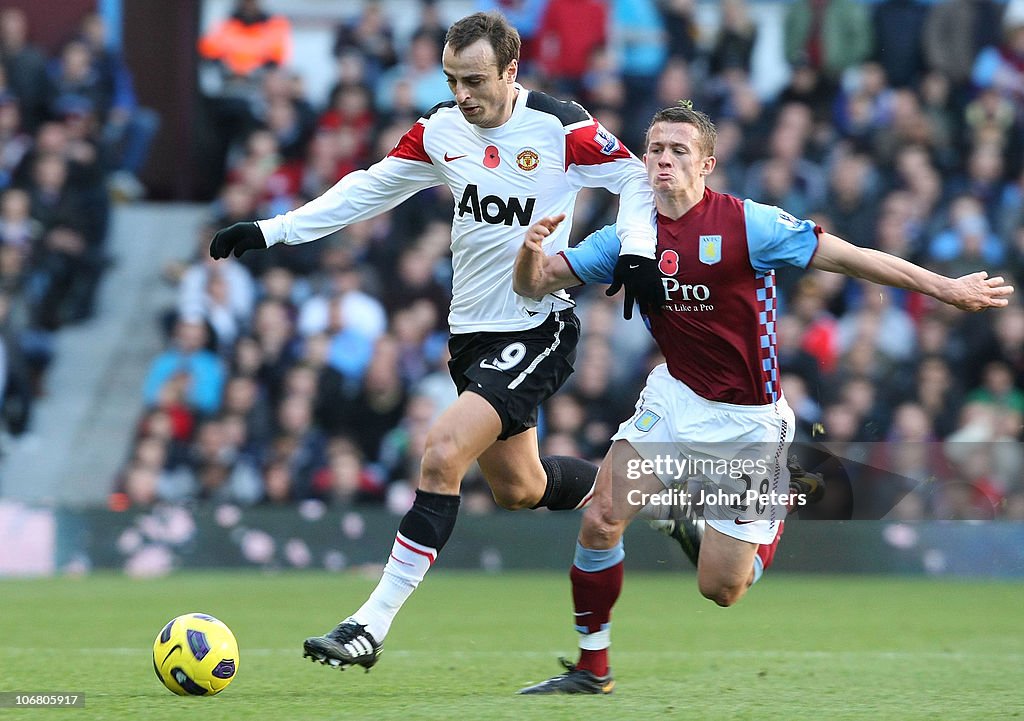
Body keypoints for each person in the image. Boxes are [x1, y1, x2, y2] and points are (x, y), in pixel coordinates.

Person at [208, 11, 660, 671]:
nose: (463, 94)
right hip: (470, 336)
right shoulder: (442, 129)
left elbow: (634, 179)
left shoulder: (561, 125)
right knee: (521, 487)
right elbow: (368, 188)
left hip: (539, 323)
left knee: (443, 451)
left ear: (511, 71)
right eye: (452, 79)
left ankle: (369, 624)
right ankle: (646, 494)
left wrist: (637, 250)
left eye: (475, 80)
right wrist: (274, 230)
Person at [512, 101, 1014, 694]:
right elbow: (537, 283)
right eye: (655, 149)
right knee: (601, 517)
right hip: (674, 397)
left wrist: (945, 287)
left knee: (721, 590)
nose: (664, 160)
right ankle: (592, 668)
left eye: (679, 150)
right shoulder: (629, 234)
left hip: (748, 424)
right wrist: (528, 252)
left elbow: (855, 259)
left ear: (708, 164)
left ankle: (774, 508)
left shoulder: (750, 225)